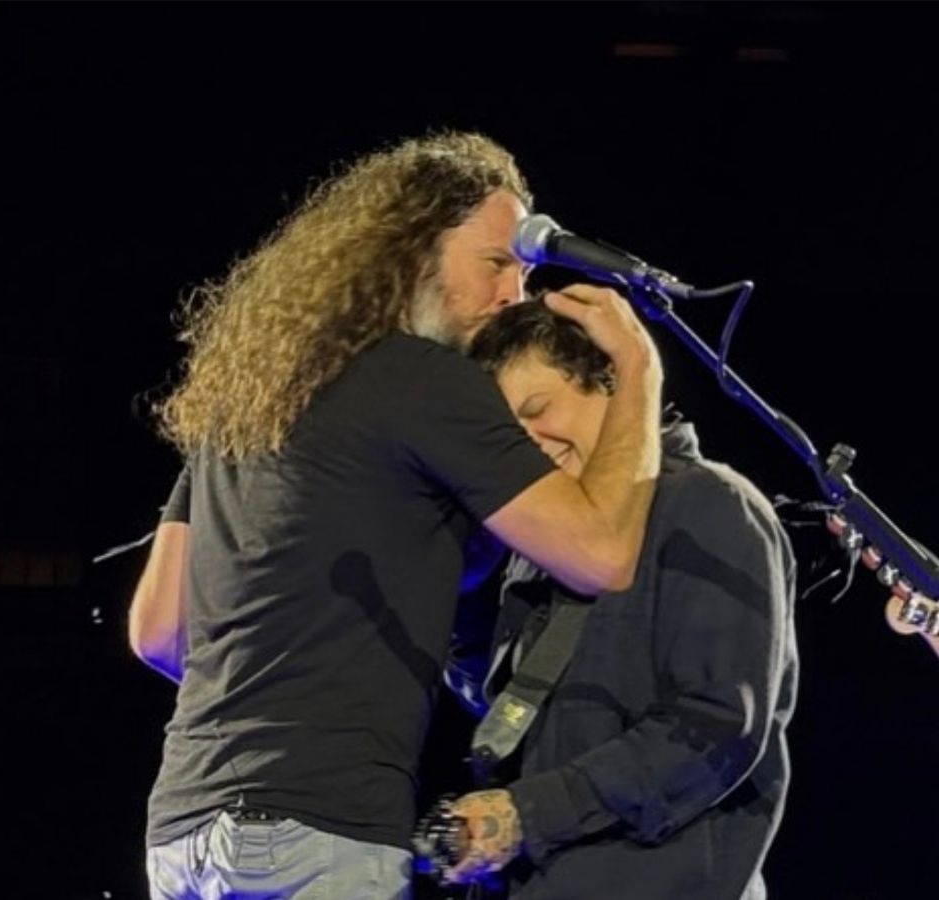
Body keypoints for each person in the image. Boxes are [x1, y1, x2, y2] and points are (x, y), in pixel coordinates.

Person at [127, 132, 664, 900]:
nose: (514, 294)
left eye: (524, 271)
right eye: (495, 263)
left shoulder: (251, 399)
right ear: (414, 253)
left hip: (184, 834)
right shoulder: (424, 380)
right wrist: (639, 367)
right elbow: (603, 552)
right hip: (318, 831)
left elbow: (157, 632)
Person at [442, 300, 798, 899]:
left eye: (539, 410)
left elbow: (715, 727)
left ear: (610, 383)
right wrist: (463, 576)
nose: (527, 443)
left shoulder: (708, 503)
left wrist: (530, 813)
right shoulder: (541, 547)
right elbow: (510, 710)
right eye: (507, 434)